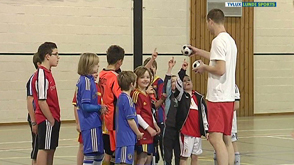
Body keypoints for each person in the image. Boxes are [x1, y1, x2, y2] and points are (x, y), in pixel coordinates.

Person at [191, 8, 238, 165]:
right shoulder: (230, 41)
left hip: (218, 96)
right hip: (228, 96)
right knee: (227, 139)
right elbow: (217, 58)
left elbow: (219, 69)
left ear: (211, 21)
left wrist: (204, 67)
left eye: (207, 23)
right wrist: (198, 52)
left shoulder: (217, 41)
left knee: (215, 138)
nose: (207, 27)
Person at [31, 42, 61, 165]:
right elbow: (42, 100)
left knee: (51, 149)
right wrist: (51, 119)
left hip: (53, 117)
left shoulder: (48, 73)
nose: (58, 57)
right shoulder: (41, 74)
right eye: (56, 54)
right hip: (47, 118)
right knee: (44, 149)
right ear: (47, 56)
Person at [75, 53, 107, 165]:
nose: (98, 67)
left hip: (94, 122)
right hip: (90, 122)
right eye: (96, 65)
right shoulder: (86, 82)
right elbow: (85, 105)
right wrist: (100, 107)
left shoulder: (88, 80)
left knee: (99, 153)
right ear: (89, 66)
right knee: (91, 154)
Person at [175, 60, 208, 165]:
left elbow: (203, 114)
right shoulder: (181, 96)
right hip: (186, 132)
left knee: (195, 157)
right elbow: (178, 84)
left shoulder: (199, 97)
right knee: (184, 157)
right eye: (184, 81)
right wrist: (183, 71)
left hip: (197, 133)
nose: (187, 82)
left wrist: (206, 130)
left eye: (189, 80)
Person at [98, 45, 125, 165]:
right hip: (114, 119)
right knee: (113, 153)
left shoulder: (100, 74)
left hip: (103, 117)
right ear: (119, 62)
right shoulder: (115, 78)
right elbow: (121, 97)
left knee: (107, 152)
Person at [132, 66, 160, 165]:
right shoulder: (136, 94)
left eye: (147, 77)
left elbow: (149, 112)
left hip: (150, 131)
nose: (145, 80)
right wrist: (148, 128)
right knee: (142, 157)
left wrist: (155, 124)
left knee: (149, 158)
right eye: (142, 77)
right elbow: (136, 115)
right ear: (136, 79)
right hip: (143, 131)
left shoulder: (147, 95)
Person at [72, 70, 101, 165]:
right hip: (88, 122)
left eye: (97, 71)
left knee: (97, 151)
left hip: (97, 122)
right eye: (93, 72)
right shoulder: (84, 85)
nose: (96, 74)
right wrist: (78, 123)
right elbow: (77, 106)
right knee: (83, 147)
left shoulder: (97, 86)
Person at [115, 71, 144, 165]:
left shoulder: (121, 97)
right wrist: (138, 133)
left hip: (123, 137)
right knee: (125, 162)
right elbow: (130, 120)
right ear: (132, 84)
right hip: (126, 138)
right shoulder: (127, 100)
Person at [144, 49, 165, 163]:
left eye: (153, 67)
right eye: (149, 67)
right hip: (147, 117)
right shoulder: (143, 83)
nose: (151, 70)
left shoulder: (159, 81)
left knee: (160, 144)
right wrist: (152, 59)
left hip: (158, 116)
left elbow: (160, 100)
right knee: (148, 149)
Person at [214, 85, 241, 165]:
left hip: (229, 121)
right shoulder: (217, 84)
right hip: (217, 120)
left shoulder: (233, 86)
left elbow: (236, 105)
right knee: (218, 143)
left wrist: (223, 110)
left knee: (230, 142)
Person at [162, 57, 181, 165]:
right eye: (172, 82)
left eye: (176, 81)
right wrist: (170, 69)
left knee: (178, 154)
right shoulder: (169, 97)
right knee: (168, 155)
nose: (174, 83)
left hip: (178, 130)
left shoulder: (181, 97)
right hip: (168, 128)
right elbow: (166, 85)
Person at [26, 53, 41, 165]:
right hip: (36, 116)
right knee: (36, 148)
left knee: (41, 146)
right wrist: (34, 121)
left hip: (42, 117)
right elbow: (30, 101)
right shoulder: (34, 79)